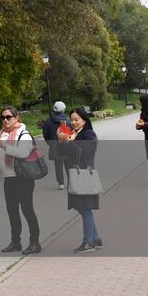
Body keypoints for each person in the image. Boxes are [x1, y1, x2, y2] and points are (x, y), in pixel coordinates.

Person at [0, 106, 41, 255]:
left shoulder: (24, 134)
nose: (5, 120)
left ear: (16, 118)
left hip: (23, 178)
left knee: (27, 210)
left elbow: (22, 153)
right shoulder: (2, 134)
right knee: (12, 211)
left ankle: (35, 242)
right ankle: (15, 241)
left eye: (8, 117)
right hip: (9, 178)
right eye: (2, 117)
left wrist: (2, 145)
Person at [59, 106, 101, 251]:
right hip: (75, 174)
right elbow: (64, 153)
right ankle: (95, 238)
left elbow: (84, 154)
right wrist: (62, 141)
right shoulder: (74, 133)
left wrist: (69, 142)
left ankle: (88, 241)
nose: (73, 122)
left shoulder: (89, 135)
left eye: (76, 120)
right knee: (81, 208)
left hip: (84, 174)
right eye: (71, 120)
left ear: (84, 120)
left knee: (85, 208)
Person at [42, 100, 69, 190]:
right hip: (66, 146)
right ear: (63, 110)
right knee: (69, 164)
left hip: (54, 146)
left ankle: (61, 183)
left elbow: (45, 133)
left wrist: (49, 143)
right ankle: (71, 182)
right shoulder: (67, 120)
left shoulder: (49, 121)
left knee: (58, 165)